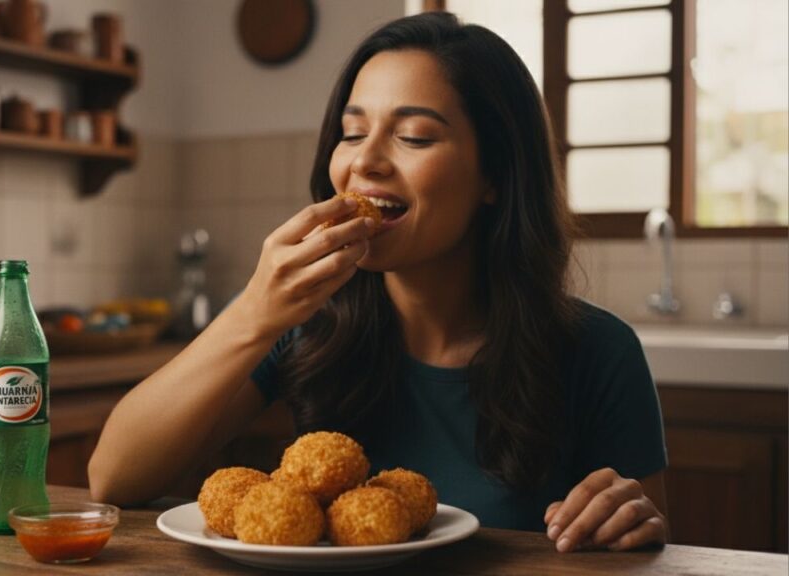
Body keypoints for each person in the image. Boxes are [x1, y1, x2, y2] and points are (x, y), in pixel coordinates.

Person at [88, 12, 668, 553]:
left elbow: (647, 541)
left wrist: (628, 523)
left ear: (495, 174)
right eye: (351, 131)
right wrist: (250, 316)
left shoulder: (600, 353)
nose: (365, 162)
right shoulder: (303, 316)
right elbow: (113, 478)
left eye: (413, 137)